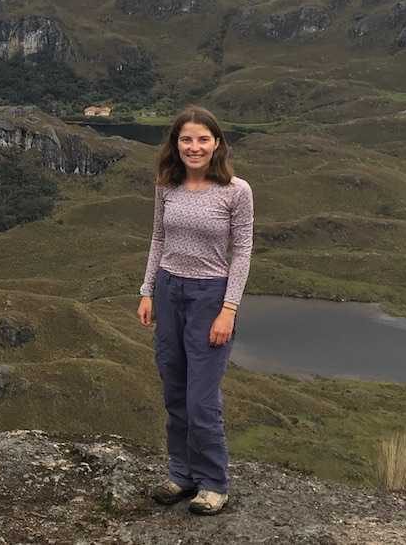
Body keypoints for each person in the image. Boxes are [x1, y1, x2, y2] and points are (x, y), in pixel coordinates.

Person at [136, 105, 253, 515]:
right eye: (186, 139)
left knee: (202, 400)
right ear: (176, 144)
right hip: (169, 291)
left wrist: (229, 309)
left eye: (203, 139)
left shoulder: (237, 191)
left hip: (210, 297)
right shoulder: (167, 185)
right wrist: (147, 290)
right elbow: (157, 239)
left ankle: (214, 482)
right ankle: (181, 473)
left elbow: (241, 254)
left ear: (217, 143)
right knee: (175, 393)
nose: (194, 146)